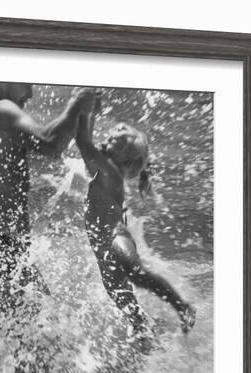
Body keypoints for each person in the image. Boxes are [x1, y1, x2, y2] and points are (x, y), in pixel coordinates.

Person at [0, 82, 95, 373]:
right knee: (47, 354)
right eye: (27, 85)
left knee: (29, 354)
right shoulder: (1, 111)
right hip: (0, 252)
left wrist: (82, 117)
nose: (31, 94)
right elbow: (51, 143)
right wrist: (77, 103)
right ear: (4, 79)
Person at [75, 103, 196, 339]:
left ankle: (182, 305)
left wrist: (84, 109)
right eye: (110, 138)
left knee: (136, 272)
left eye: (115, 143)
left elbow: (82, 142)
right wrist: (88, 115)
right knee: (123, 298)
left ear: (125, 162)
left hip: (114, 237)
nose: (107, 140)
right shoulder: (104, 169)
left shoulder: (109, 170)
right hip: (103, 248)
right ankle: (146, 337)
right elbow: (86, 145)